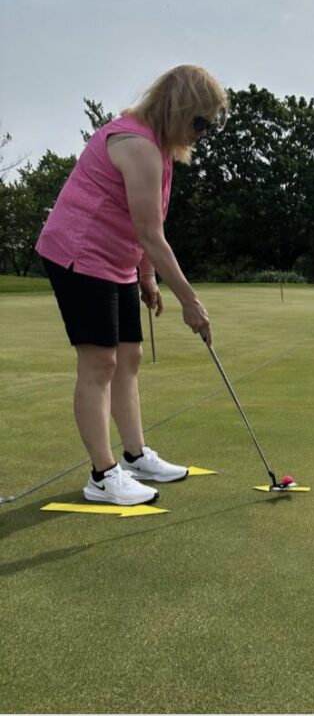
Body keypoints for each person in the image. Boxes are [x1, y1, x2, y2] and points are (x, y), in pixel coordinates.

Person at [35, 64, 229, 506]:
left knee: (130, 358)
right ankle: (103, 475)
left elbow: (145, 223)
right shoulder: (136, 145)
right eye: (199, 122)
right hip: (79, 255)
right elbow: (150, 234)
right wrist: (190, 301)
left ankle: (136, 455)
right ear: (178, 108)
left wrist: (146, 278)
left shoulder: (159, 151)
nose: (202, 133)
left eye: (209, 126)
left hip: (116, 261)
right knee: (100, 363)